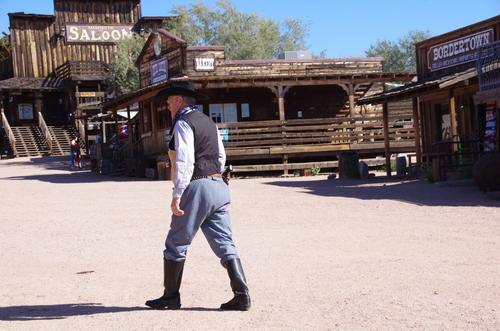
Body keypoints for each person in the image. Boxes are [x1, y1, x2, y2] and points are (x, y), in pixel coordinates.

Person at [145, 81, 251, 311]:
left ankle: (170, 297)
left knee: (176, 243)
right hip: (218, 185)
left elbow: (185, 161)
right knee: (224, 242)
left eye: (170, 100)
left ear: (180, 101)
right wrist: (214, 177)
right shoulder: (209, 123)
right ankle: (242, 295)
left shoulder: (183, 123)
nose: (168, 105)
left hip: (197, 185)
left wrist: (177, 193)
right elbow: (221, 157)